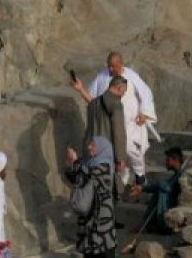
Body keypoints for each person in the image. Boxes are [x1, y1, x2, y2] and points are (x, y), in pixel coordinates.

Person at [71, 53, 157, 188]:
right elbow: (94, 101)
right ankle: (118, 185)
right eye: (109, 66)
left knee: (130, 148)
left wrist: (144, 113)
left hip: (130, 124)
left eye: (113, 66)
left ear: (121, 64)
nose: (110, 69)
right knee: (111, 155)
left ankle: (140, 176)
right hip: (108, 126)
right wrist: (81, 89)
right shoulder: (102, 76)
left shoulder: (132, 76)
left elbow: (146, 94)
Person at [64, 137, 124, 258]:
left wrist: (76, 161)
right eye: (90, 144)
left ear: (102, 148)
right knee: (90, 253)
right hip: (88, 218)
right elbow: (77, 178)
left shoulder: (105, 165)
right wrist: (70, 166)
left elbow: (89, 174)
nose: (90, 147)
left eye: (93, 145)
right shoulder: (90, 163)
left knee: (105, 252)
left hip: (102, 218)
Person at [81, 75, 128, 181]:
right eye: (124, 91)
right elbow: (118, 132)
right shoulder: (116, 104)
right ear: (119, 88)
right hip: (106, 153)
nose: (123, 94)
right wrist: (120, 158)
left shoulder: (93, 103)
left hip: (89, 151)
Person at [134, 147, 185, 236]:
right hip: (171, 204)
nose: (165, 163)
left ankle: (163, 225)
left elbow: (166, 188)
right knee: (160, 188)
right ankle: (150, 223)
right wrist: (142, 188)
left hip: (175, 207)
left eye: (168, 160)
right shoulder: (176, 175)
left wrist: (154, 186)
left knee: (161, 191)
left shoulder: (181, 175)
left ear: (175, 161)